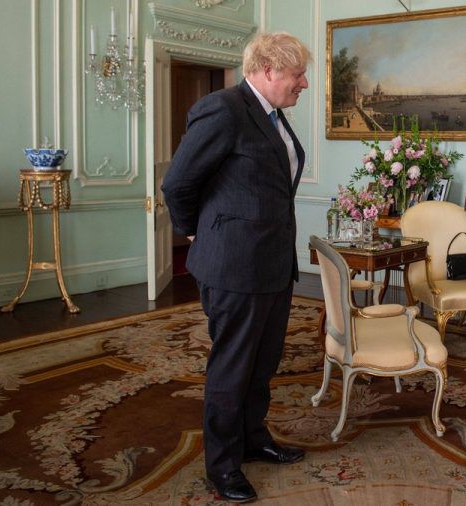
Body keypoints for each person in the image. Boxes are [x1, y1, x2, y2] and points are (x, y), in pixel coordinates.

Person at [161, 31, 311, 503]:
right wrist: (195, 233)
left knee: (262, 364)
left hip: (270, 264)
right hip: (234, 267)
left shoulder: (273, 116)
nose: (303, 83)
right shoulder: (224, 109)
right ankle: (222, 466)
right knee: (232, 367)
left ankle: (253, 439)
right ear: (268, 70)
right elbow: (178, 183)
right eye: (296, 74)